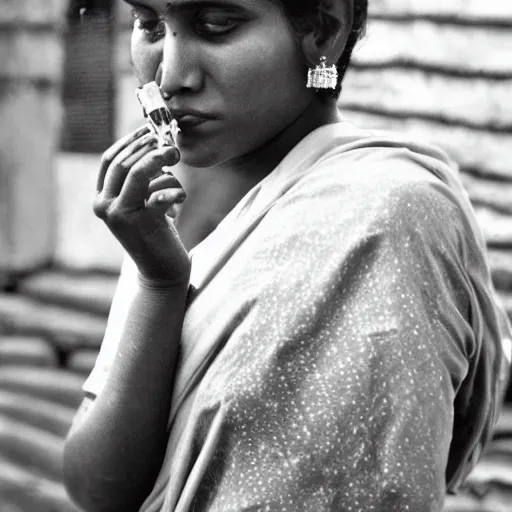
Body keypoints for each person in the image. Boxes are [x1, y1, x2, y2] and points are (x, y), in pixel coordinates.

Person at [63, 0, 511, 511]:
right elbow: (95, 487)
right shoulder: (162, 205)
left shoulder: (381, 220)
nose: (169, 75)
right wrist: (158, 285)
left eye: (216, 25)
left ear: (322, 30)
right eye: (149, 24)